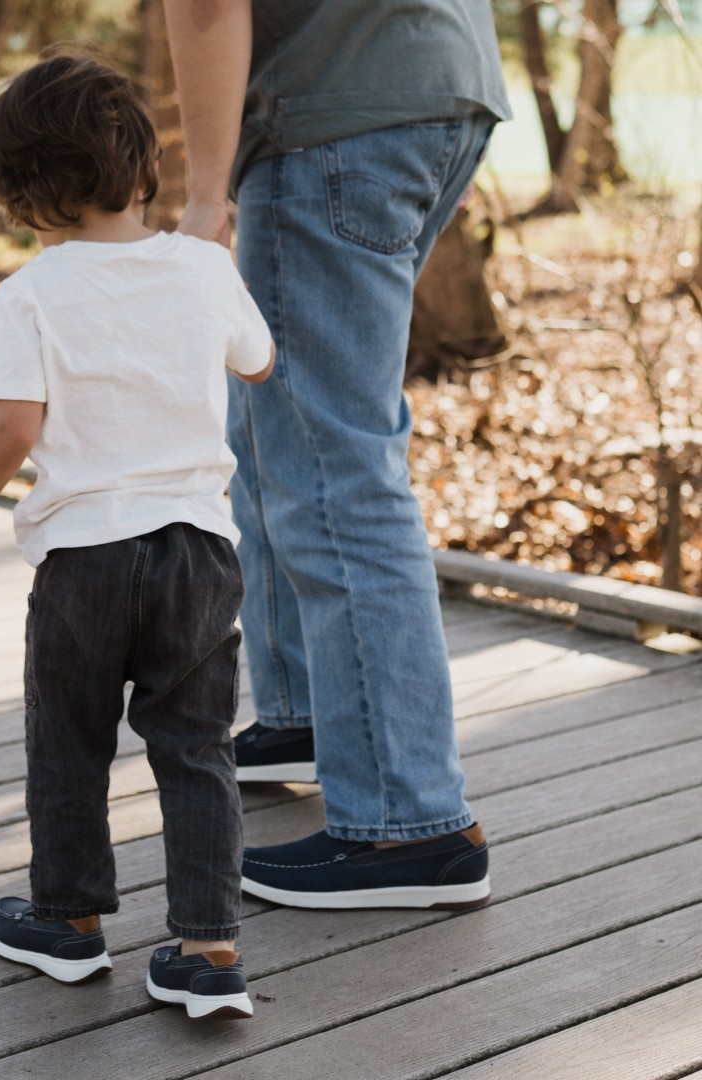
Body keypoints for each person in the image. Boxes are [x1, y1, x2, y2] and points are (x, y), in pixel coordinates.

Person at [0, 54, 274, 1019]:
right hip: (198, 551)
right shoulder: (203, 266)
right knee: (196, 747)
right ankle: (207, 949)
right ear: (141, 166)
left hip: (86, 557)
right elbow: (259, 359)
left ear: (24, 195)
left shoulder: (31, 294)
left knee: (69, 740)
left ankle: (67, 923)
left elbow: (10, 430)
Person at [161, 1, 511, 909]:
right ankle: (310, 717)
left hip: (332, 112)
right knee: (279, 429)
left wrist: (206, 195)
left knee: (333, 464)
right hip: (432, 83)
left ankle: (408, 819)